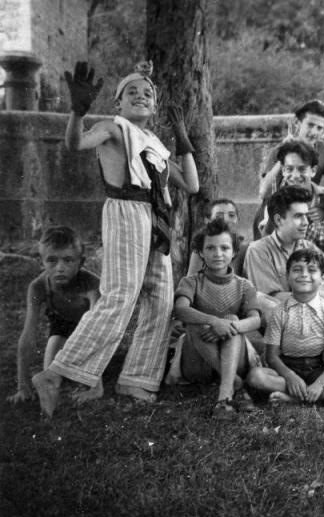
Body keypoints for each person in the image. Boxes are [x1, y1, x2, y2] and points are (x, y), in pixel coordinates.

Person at [32, 61, 199, 417]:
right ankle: (56, 373)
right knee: (121, 294)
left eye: (148, 93)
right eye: (131, 92)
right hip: (126, 210)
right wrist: (78, 112)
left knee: (160, 298)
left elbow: (192, 184)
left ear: (154, 107)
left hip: (157, 220)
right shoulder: (112, 128)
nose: (141, 96)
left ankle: (137, 378)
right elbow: (76, 142)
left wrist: (182, 135)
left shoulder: (154, 144)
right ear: (117, 104)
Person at [246, 248, 324, 404]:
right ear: (288, 277)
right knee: (256, 376)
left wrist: (320, 383)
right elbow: (271, 355)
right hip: (286, 367)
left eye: (311, 270)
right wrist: (290, 376)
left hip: (318, 367)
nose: (304, 274)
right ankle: (307, 394)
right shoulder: (279, 311)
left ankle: (295, 398)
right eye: (297, 270)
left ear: (322, 278)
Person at [173, 219, 261, 418]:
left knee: (232, 319)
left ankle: (224, 396)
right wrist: (214, 322)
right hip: (198, 363)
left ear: (234, 252)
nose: (218, 253)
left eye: (224, 247)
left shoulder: (244, 286)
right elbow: (180, 310)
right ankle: (235, 384)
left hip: (234, 358)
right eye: (210, 248)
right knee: (196, 321)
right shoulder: (191, 282)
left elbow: (255, 320)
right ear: (201, 253)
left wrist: (230, 324)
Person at [7, 227, 100, 404]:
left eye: (68, 260)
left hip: (88, 333)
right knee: (51, 361)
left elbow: (99, 330)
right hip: (61, 329)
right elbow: (28, 336)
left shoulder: (92, 284)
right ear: (41, 261)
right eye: (51, 260)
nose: (60, 268)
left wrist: (96, 386)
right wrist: (23, 386)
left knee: (89, 337)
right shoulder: (38, 286)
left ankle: (95, 385)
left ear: (81, 262)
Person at [244, 185, 324, 309]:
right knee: (265, 301)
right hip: (281, 315)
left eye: (306, 216)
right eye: (298, 216)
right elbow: (271, 297)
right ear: (278, 220)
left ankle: (317, 314)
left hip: (312, 311)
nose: (306, 222)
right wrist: (321, 297)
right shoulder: (258, 250)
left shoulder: (307, 246)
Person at [253, 139, 324, 239]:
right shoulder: (274, 203)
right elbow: (266, 241)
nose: (295, 175)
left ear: (313, 171)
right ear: (283, 171)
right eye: (290, 169)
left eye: (302, 169)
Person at [258, 99, 324, 193]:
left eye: (319, 128)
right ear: (297, 123)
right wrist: (284, 156)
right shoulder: (278, 151)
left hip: (308, 204)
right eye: (310, 125)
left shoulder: (323, 149)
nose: (314, 132)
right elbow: (264, 192)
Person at [187, 199, 249, 277]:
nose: (226, 219)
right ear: (207, 221)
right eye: (219, 216)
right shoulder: (202, 248)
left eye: (232, 215)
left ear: (238, 219)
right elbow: (191, 281)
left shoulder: (247, 248)